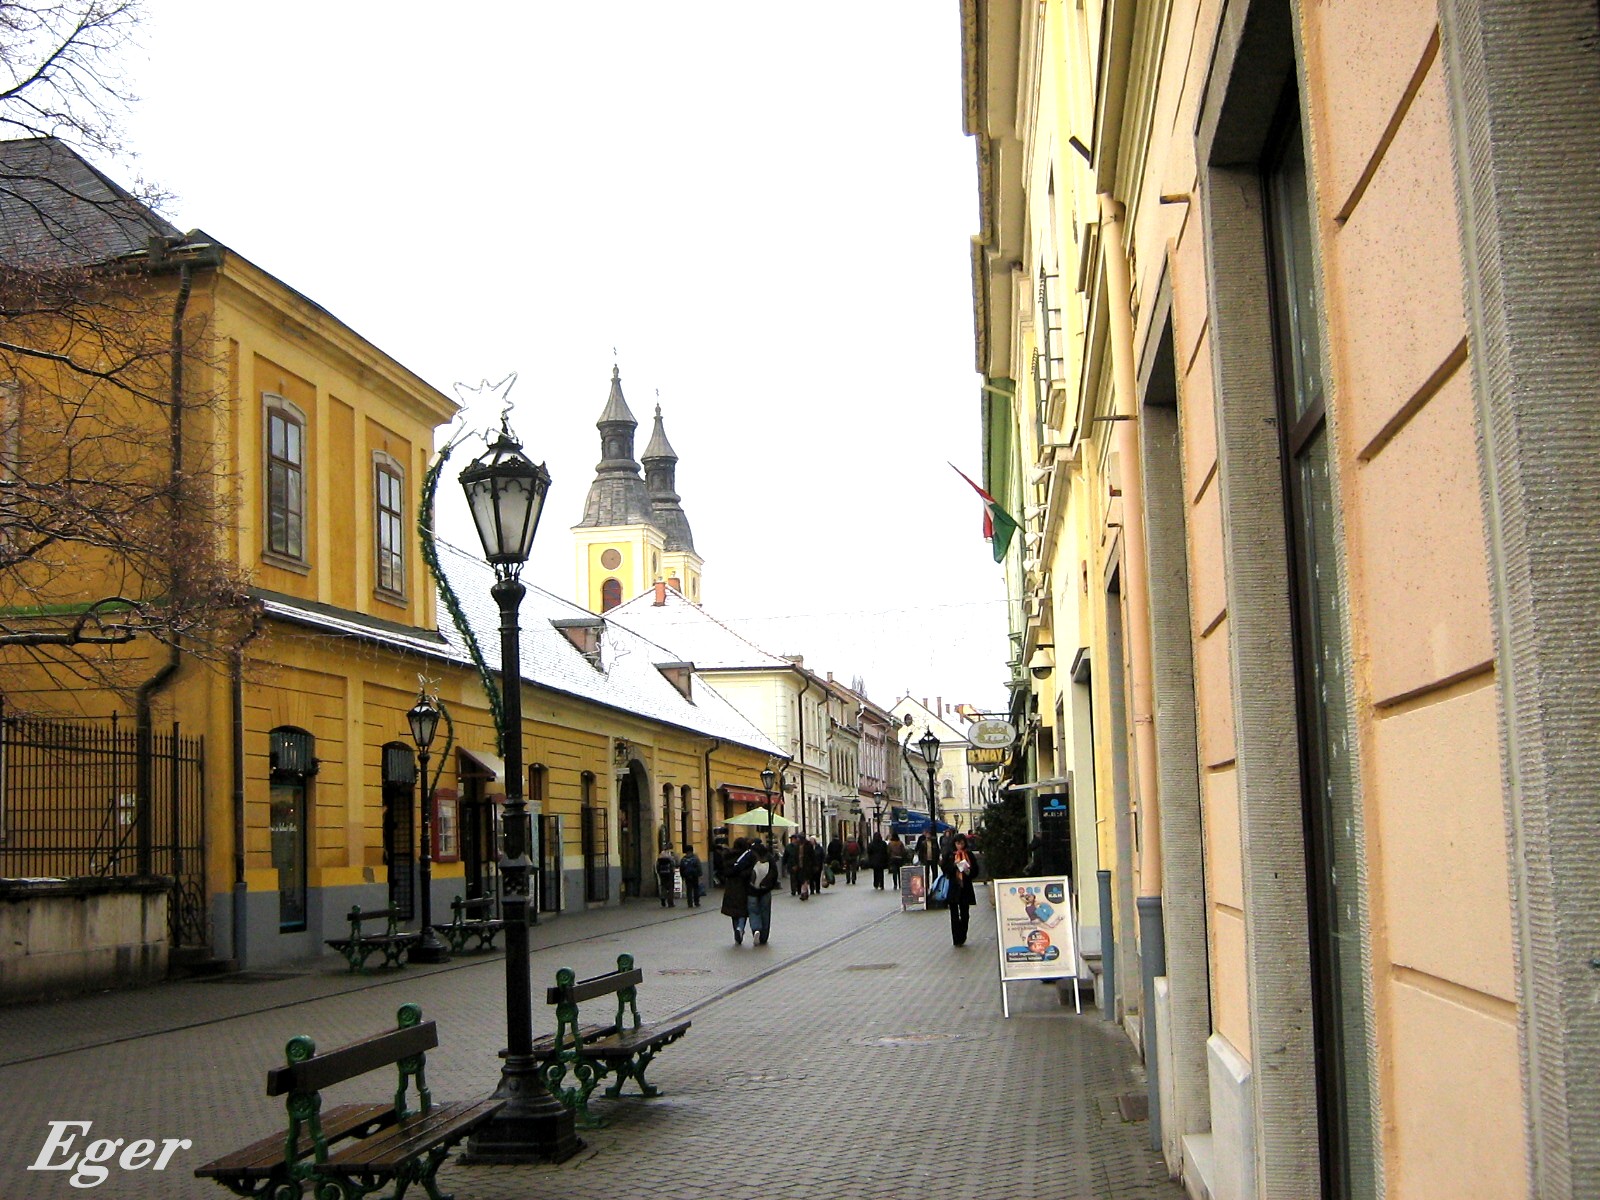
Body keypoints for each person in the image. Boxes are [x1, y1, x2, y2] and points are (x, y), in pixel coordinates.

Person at [940, 832, 979, 946]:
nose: (960, 846)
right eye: (958, 844)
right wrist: (954, 865)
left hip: (965, 887)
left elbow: (975, 870)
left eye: (962, 843)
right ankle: (956, 938)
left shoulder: (969, 854)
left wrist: (968, 871)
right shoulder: (950, 855)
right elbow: (945, 869)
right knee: (954, 914)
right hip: (954, 887)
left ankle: (963, 934)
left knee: (965, 913)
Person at [738, 840, 778, 945]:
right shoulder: (769, 858)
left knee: (753, 912)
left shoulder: (750, 857)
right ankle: (764, 936)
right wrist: (769, 885)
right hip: (765, 890)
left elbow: (740, 869)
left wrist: (747, 881)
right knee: (765, 912)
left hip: (751, 891)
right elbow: (774, 873)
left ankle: (756, 929)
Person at [721, 837, 751, 944]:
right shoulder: (746, 857)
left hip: (731, 888)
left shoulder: (728, 856)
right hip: (743, 887)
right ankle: (740, 928)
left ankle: (736, 931)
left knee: (733, 912)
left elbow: (724, 872)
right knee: (743, 911)